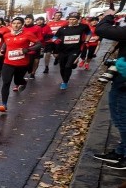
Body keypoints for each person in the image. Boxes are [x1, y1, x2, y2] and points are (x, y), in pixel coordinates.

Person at [92, 9, 126, 169]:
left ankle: (123, 156)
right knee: (119, 116)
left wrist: (108, 16)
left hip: (124, 81)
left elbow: (102, 29)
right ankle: (121, 151)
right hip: (121, 78)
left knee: (121, 118)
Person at [0, 17, 41, 113]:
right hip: (8, 63)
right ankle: (4, 104)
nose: (16, 25)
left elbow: (39, 44)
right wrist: (2, 50)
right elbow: (5, 43)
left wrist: (28, 49)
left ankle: (23, 82)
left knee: (17, 80)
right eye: (14, 23)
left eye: (18, 23)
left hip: (22, 64)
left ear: (22, 24)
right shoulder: (7, 35)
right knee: (6, 82)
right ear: (11, 24)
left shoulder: (28, 34)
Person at [52, 12, 91, 90]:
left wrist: (87, 41)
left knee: (68, 66)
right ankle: (64, 78)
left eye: (74, 19)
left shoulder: (83, 27)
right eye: (70, 19)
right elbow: (54, 37)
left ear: (78, 19)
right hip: (63, 50)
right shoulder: (63, 28)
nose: (72, 21)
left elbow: (89, 33)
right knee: (62, 67)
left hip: (75, 50)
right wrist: (56, 41)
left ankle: (65, 82)